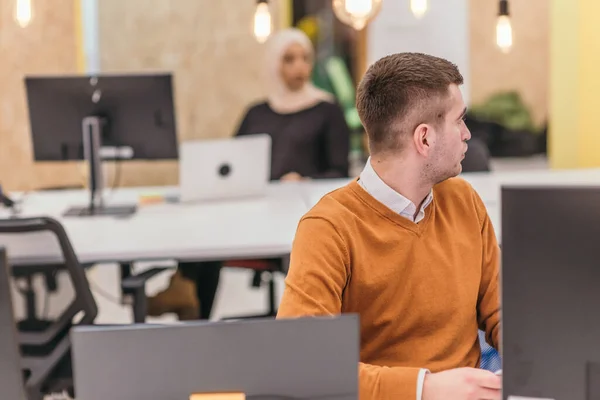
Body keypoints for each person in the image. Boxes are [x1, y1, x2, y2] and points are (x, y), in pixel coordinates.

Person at [276, 52, 501, 400]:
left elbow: (502, 311)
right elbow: (298, 362)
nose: (467, 134)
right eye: (460, 121)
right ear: (424, 139)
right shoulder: (328, 228)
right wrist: (425, 389)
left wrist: (535, 362)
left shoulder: (464, 201)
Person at [147, 28, 350, 321]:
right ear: (274, 64)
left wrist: (305, 181)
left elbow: (339, 171)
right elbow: (231, 165)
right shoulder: (257, 112)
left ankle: (185, 293)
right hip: (251, 210)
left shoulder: (326, 110)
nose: (299, 67)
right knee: (207, 227)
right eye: (289, 59)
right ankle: (191, 307)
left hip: (295, 217)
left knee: (213, 241)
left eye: (305, 59)